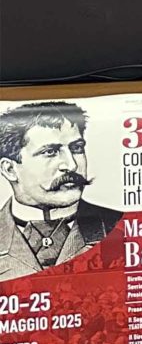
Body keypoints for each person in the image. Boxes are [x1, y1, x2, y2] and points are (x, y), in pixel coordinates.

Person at [0, 102, 122, 282]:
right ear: (10, 169)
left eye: (76, 148)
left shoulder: (122, 226)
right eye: (50, 152)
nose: (71, 165)